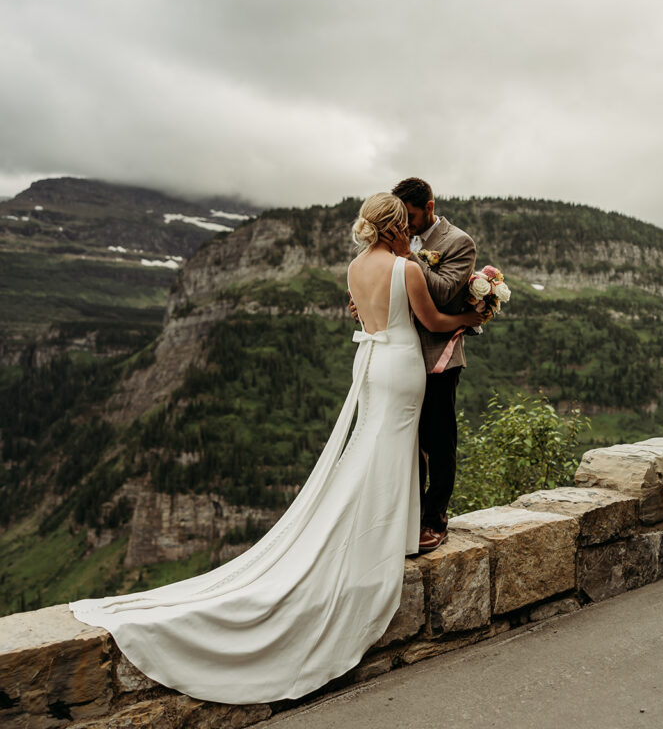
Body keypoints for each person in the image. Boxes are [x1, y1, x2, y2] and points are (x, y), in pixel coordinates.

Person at [69, 192, 482, 705]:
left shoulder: (355, 268)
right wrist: (474, 315)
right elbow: (434, 323)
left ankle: (382, 529)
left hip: (370, 365)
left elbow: (363, 317)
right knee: (393, 446)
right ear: (398, 226)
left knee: (371, 443)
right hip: (401, 366)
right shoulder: (407, 269)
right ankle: (390, 537)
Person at [364, 178, 476, 553]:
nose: (405, 225)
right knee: (406, 441)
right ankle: (410, 515)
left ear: (429, 206)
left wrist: (408, 257)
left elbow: (444, 292)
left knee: (439, 440)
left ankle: (435, 519)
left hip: (437, 355)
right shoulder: (399, 236)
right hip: (399, 353)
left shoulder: (458, 242)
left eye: (410, 216)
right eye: (400, 218)